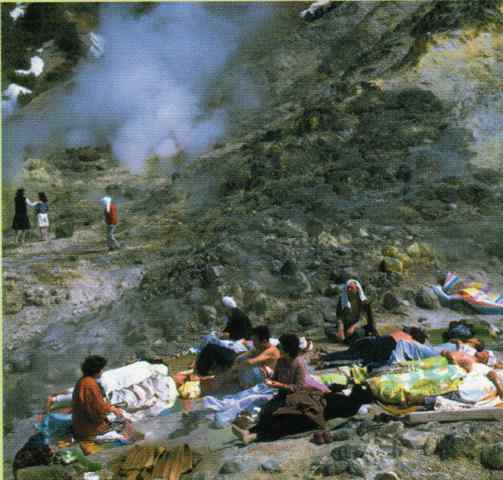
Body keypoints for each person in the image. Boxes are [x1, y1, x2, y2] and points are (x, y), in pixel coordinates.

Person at [232, 334, 329, 444]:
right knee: (266, 414)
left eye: (280, 346)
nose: (278, 348)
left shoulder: (299, 364)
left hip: (298, 398)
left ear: (287, 349)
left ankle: (254, 436)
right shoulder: (281, 361)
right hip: (283, 396)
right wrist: (270, 380)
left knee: (279, 418)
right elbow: (275, 378)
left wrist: (279, 385)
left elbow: (298, 387)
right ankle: (248, 432)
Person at [72, 355, 124, 441]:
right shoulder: (90, 385)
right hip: (87, 428)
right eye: (101, 369)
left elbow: (94, 403)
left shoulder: (83, 380)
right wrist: (112, 409)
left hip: (80, 422)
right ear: (96, 371)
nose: (102, 372)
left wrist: (110, 407)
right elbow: (97, 407)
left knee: (115, 415)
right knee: (122, 429)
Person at [321, 327, 427, 367]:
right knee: (356, 361)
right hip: (382, 348)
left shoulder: (401, 332)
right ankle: (326, 363)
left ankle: (325, 357)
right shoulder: (409, 341)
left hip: (371, 341)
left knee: (348, 354)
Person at [325, 279, 378, 345]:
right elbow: (339, 317)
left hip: (359, 326)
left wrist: (353, 327)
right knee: (328, 330)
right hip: (346, 326)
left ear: (357, 289)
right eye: (348, 288)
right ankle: (344, 338)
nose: (349, 289)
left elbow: (365, 319)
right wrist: (340, 329)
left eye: (351, 288)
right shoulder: (342, 300)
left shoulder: (364, 302)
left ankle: (345, 339)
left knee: (358, 333)